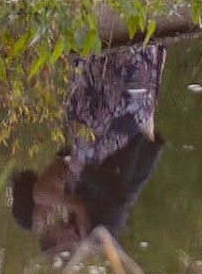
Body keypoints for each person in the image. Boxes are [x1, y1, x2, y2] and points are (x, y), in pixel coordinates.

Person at [10, 43, 167, 254]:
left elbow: (68, 164)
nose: (49, 221)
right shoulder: (99, 231)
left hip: (118, 116)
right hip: (132, 125)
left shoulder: (49, 194)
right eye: (49, 230)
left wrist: (75, 199)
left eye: (43, 222)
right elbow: (117, 199)